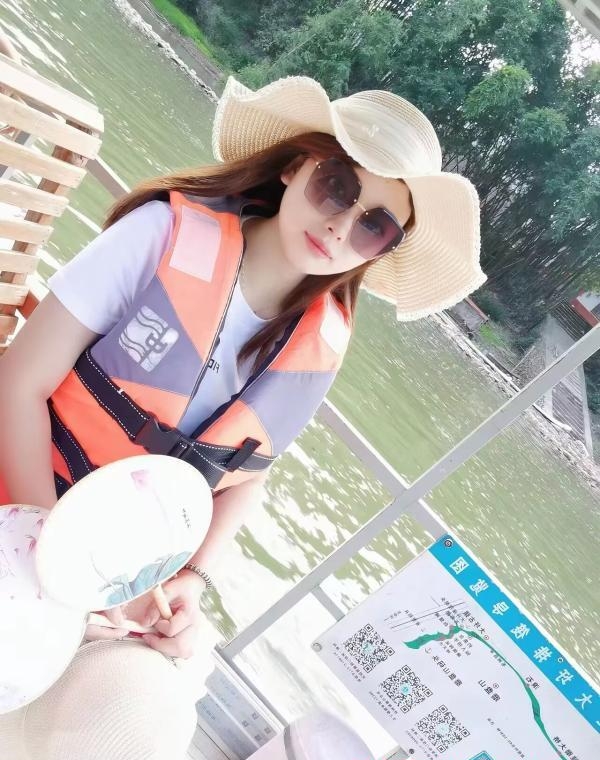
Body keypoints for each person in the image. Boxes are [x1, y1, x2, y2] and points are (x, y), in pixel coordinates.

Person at [0, 75, 484, 758]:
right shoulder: (160, 235)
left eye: (374, 224)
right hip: (21, 506)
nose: (341, 224)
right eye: (337, 185)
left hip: (112, 583)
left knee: (148, 719)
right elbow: (17, 384)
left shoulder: (321, 343)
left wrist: (188, 583)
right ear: (295, 167)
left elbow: (247, 475)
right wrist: (60, 556)